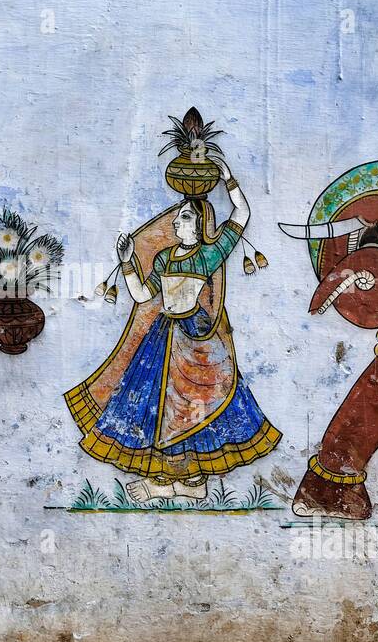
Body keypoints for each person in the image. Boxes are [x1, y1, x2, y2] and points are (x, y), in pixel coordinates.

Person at [64, 160, 280, 502]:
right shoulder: (165, 258)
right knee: (158, 407)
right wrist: (127, 262)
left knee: (194, 405)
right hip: (163, 335)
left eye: (184, 216)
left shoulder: (209, 255)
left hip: (195, 336)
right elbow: (142, 295)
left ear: (198, 223)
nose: (176, 221)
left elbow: (241, 213)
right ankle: (167, 481)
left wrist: (227, 177)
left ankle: (192, 483)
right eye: (178, 216)